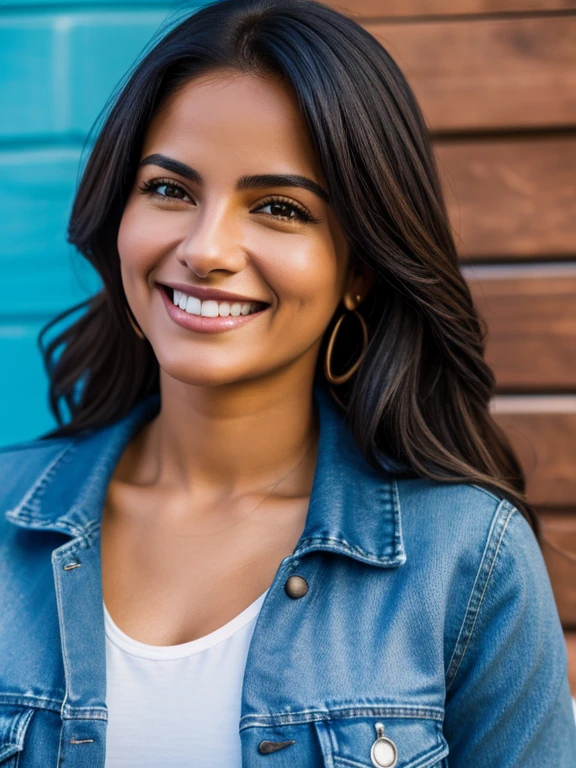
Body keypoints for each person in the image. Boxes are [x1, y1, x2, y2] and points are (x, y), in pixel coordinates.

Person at [1, 0, 574, 765]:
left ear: (360, 269)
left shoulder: (469, 561)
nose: (206, 249)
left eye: (278, 207)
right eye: (170, 190)